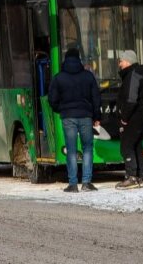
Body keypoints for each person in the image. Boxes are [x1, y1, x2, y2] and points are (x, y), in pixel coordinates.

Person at [48, 48, 102, 193]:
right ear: (79, 59)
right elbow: (96, 98)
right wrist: (96, 116)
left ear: (65, 59)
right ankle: (86, 182)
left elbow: (51, 99)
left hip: (68, 118)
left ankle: (72, 184)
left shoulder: (59, 77)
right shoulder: (88, 76)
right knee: (87, 148)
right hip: (85, 116)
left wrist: (61, 109)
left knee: (71, 150)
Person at [116, 49, 143, 189]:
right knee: (136, 145)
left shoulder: (133, 75)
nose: (119, 64)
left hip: (133, 116)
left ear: (128, 61)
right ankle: (138, 176)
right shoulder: (140, 74)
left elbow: (131, 100)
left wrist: (124, 117)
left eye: (121, 61)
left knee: (126, 146)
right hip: (140, 114)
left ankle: (131, 176)